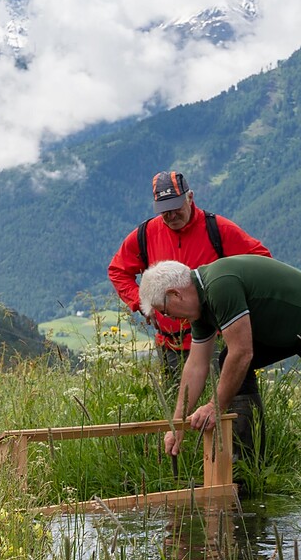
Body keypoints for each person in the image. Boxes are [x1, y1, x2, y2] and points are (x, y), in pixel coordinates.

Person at [107, 171, 271, 448]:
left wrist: (235, 307)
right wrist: (143, 303)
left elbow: (261, 261)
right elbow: (118, 270)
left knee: (235, 401)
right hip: (170, 343)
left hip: (218, 335)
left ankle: (246, 467)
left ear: (191, 197)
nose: (170, 216)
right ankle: (194, 463)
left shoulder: (217, 229)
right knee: (181, 408)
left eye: (176, 208)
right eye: (164, 211)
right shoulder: (145, 234)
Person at [138, 255, 301, 455]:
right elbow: (196, 366)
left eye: (165, 310)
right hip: (289, 330)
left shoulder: (219, 285)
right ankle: (247, 461)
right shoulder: (201, 308)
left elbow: (242, 352)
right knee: (228, 364)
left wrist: (215, 406)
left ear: (175, 294)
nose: (170, 317)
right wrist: (177, 423)